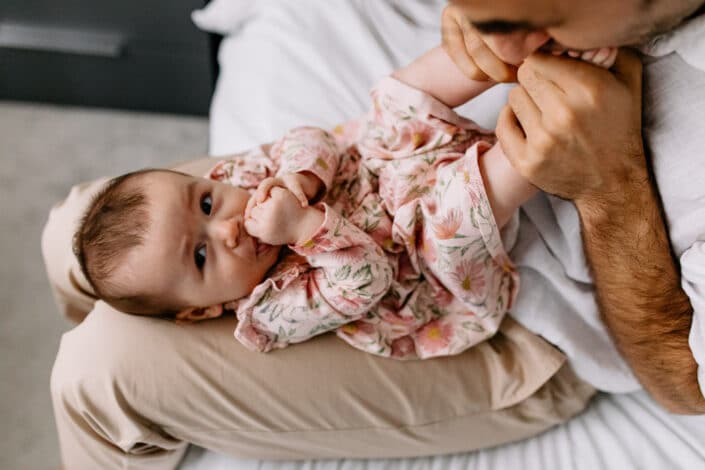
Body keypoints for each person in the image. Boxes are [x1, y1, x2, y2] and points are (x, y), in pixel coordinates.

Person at [72, 46, 544, 360]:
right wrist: (303, 229)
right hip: (417, 259)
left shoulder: (239, 178)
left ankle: (506, 42)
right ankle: (541, 135)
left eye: (207, 204)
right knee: (450, 228)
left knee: (397, 94)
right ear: (198, 311)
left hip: (382, 164)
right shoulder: (271, 313)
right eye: (201, 255)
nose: (226, 229)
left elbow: (312, 138)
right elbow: (368, 280)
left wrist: (299, 175)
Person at [440, 0, 705, 414]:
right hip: (390, 157)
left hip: (506, 326)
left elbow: (689, 389)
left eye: (550, 20)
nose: (504, 50)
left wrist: (609, 189)